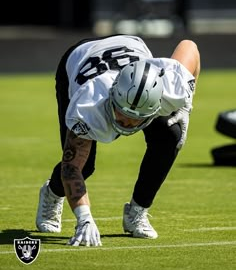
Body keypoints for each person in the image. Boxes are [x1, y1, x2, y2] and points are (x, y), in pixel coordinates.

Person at [36, 34, 200, 247]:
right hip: (79, 58)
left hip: (130, 45)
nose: (128, 123)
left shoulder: (172, 86)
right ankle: (51, 193)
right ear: (113, 96)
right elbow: (71, 168)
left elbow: (190, 47)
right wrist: (84, 219)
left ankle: (137, 212)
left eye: (137, 118)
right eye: (122, 113)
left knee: (170, 135)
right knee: (85, 166)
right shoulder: (89, 104)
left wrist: (186, 106)